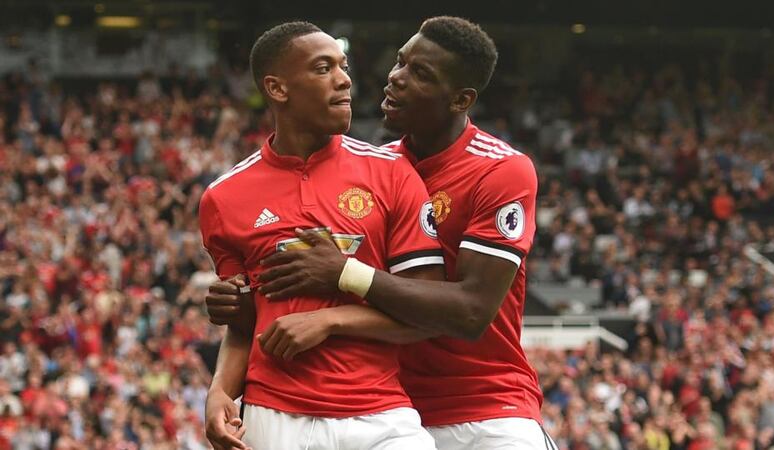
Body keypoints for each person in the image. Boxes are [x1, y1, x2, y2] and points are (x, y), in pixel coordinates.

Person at [210, 17, 554, 450]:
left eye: (420, 73)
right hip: (390, 405)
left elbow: (471, 312)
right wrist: (240, 306)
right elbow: (269, 306)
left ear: (461, 99)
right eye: (400, 62)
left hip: (486, 407)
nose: (396, 78)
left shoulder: (500, 170)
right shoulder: (378, 168)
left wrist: (344, 274)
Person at [199, 21, 445, 450]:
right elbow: (245, 327)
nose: (344, 79)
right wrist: (220, 389)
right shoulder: (224, 198)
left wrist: (328, 321)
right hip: (273, 415)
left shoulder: (392, 173)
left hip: (381, 415)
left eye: (343, 66)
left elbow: (427, 312)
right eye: (322, 68)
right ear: (277, 88)